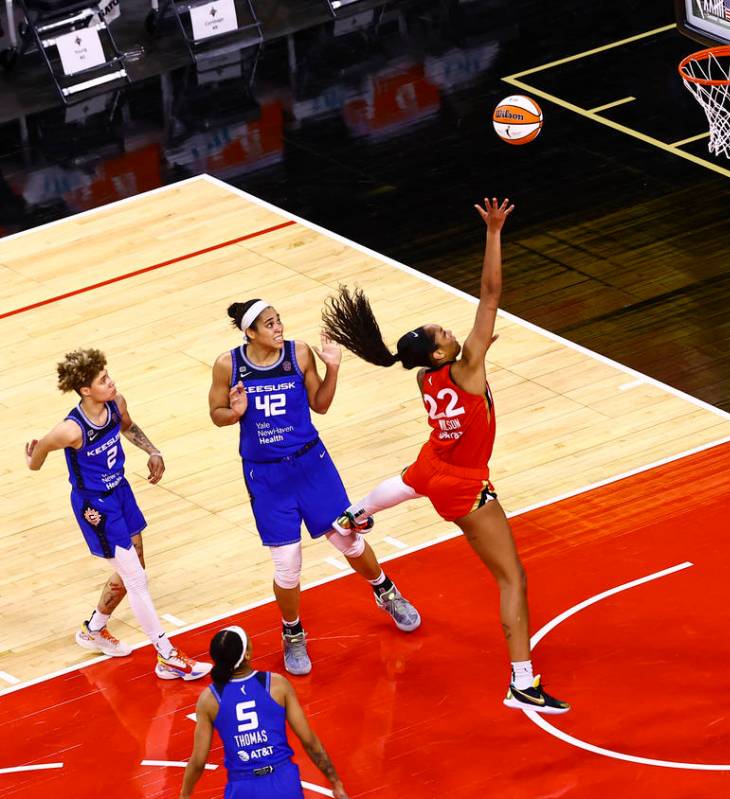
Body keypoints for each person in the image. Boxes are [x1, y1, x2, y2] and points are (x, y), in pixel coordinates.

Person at [322, 197, 568, 714]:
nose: (453, 332)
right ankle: (522, 681)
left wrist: (476, 352)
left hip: (434, 463)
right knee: (512, 578)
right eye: (445, 335)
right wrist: (494, 231)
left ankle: (354, 514)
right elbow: (491, 293)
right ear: (439, 354)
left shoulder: (425, 375)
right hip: (463, 483)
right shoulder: (464, 364)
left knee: (411, 480)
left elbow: (460, 373)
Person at [207, 299, 420, 676]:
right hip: (266, 476)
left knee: (347, 538)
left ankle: (386, 592)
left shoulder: (299, 353)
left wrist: (333, 368)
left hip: (311, 465)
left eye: (279, 320)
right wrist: (234, 414)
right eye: (269, 324)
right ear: (250, 332)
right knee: (287, 565)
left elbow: (319, 404)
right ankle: (293, 632)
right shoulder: (229, 364)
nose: (279, 328)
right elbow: (216, 414)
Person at [25, 348, 208, 679]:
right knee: (137, 578)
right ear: (85, 390)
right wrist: (31, 459)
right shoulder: (70, 429)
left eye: (108, 376)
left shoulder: (116, 404)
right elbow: (39, 453)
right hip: (96, 505)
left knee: (135, 566)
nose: (111, 382)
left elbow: (129, 426)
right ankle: (167, 655)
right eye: (103, 380)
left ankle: (94, 629)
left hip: (121, 491)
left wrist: (153, 450)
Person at [179, 626, 349, 799]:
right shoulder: (276, 685)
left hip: (243, 789)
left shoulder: (209, 699)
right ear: (247, 655)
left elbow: (198, 761)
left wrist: (184, 795)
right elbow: (309, 741)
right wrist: (335, 782)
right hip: (283, 782)